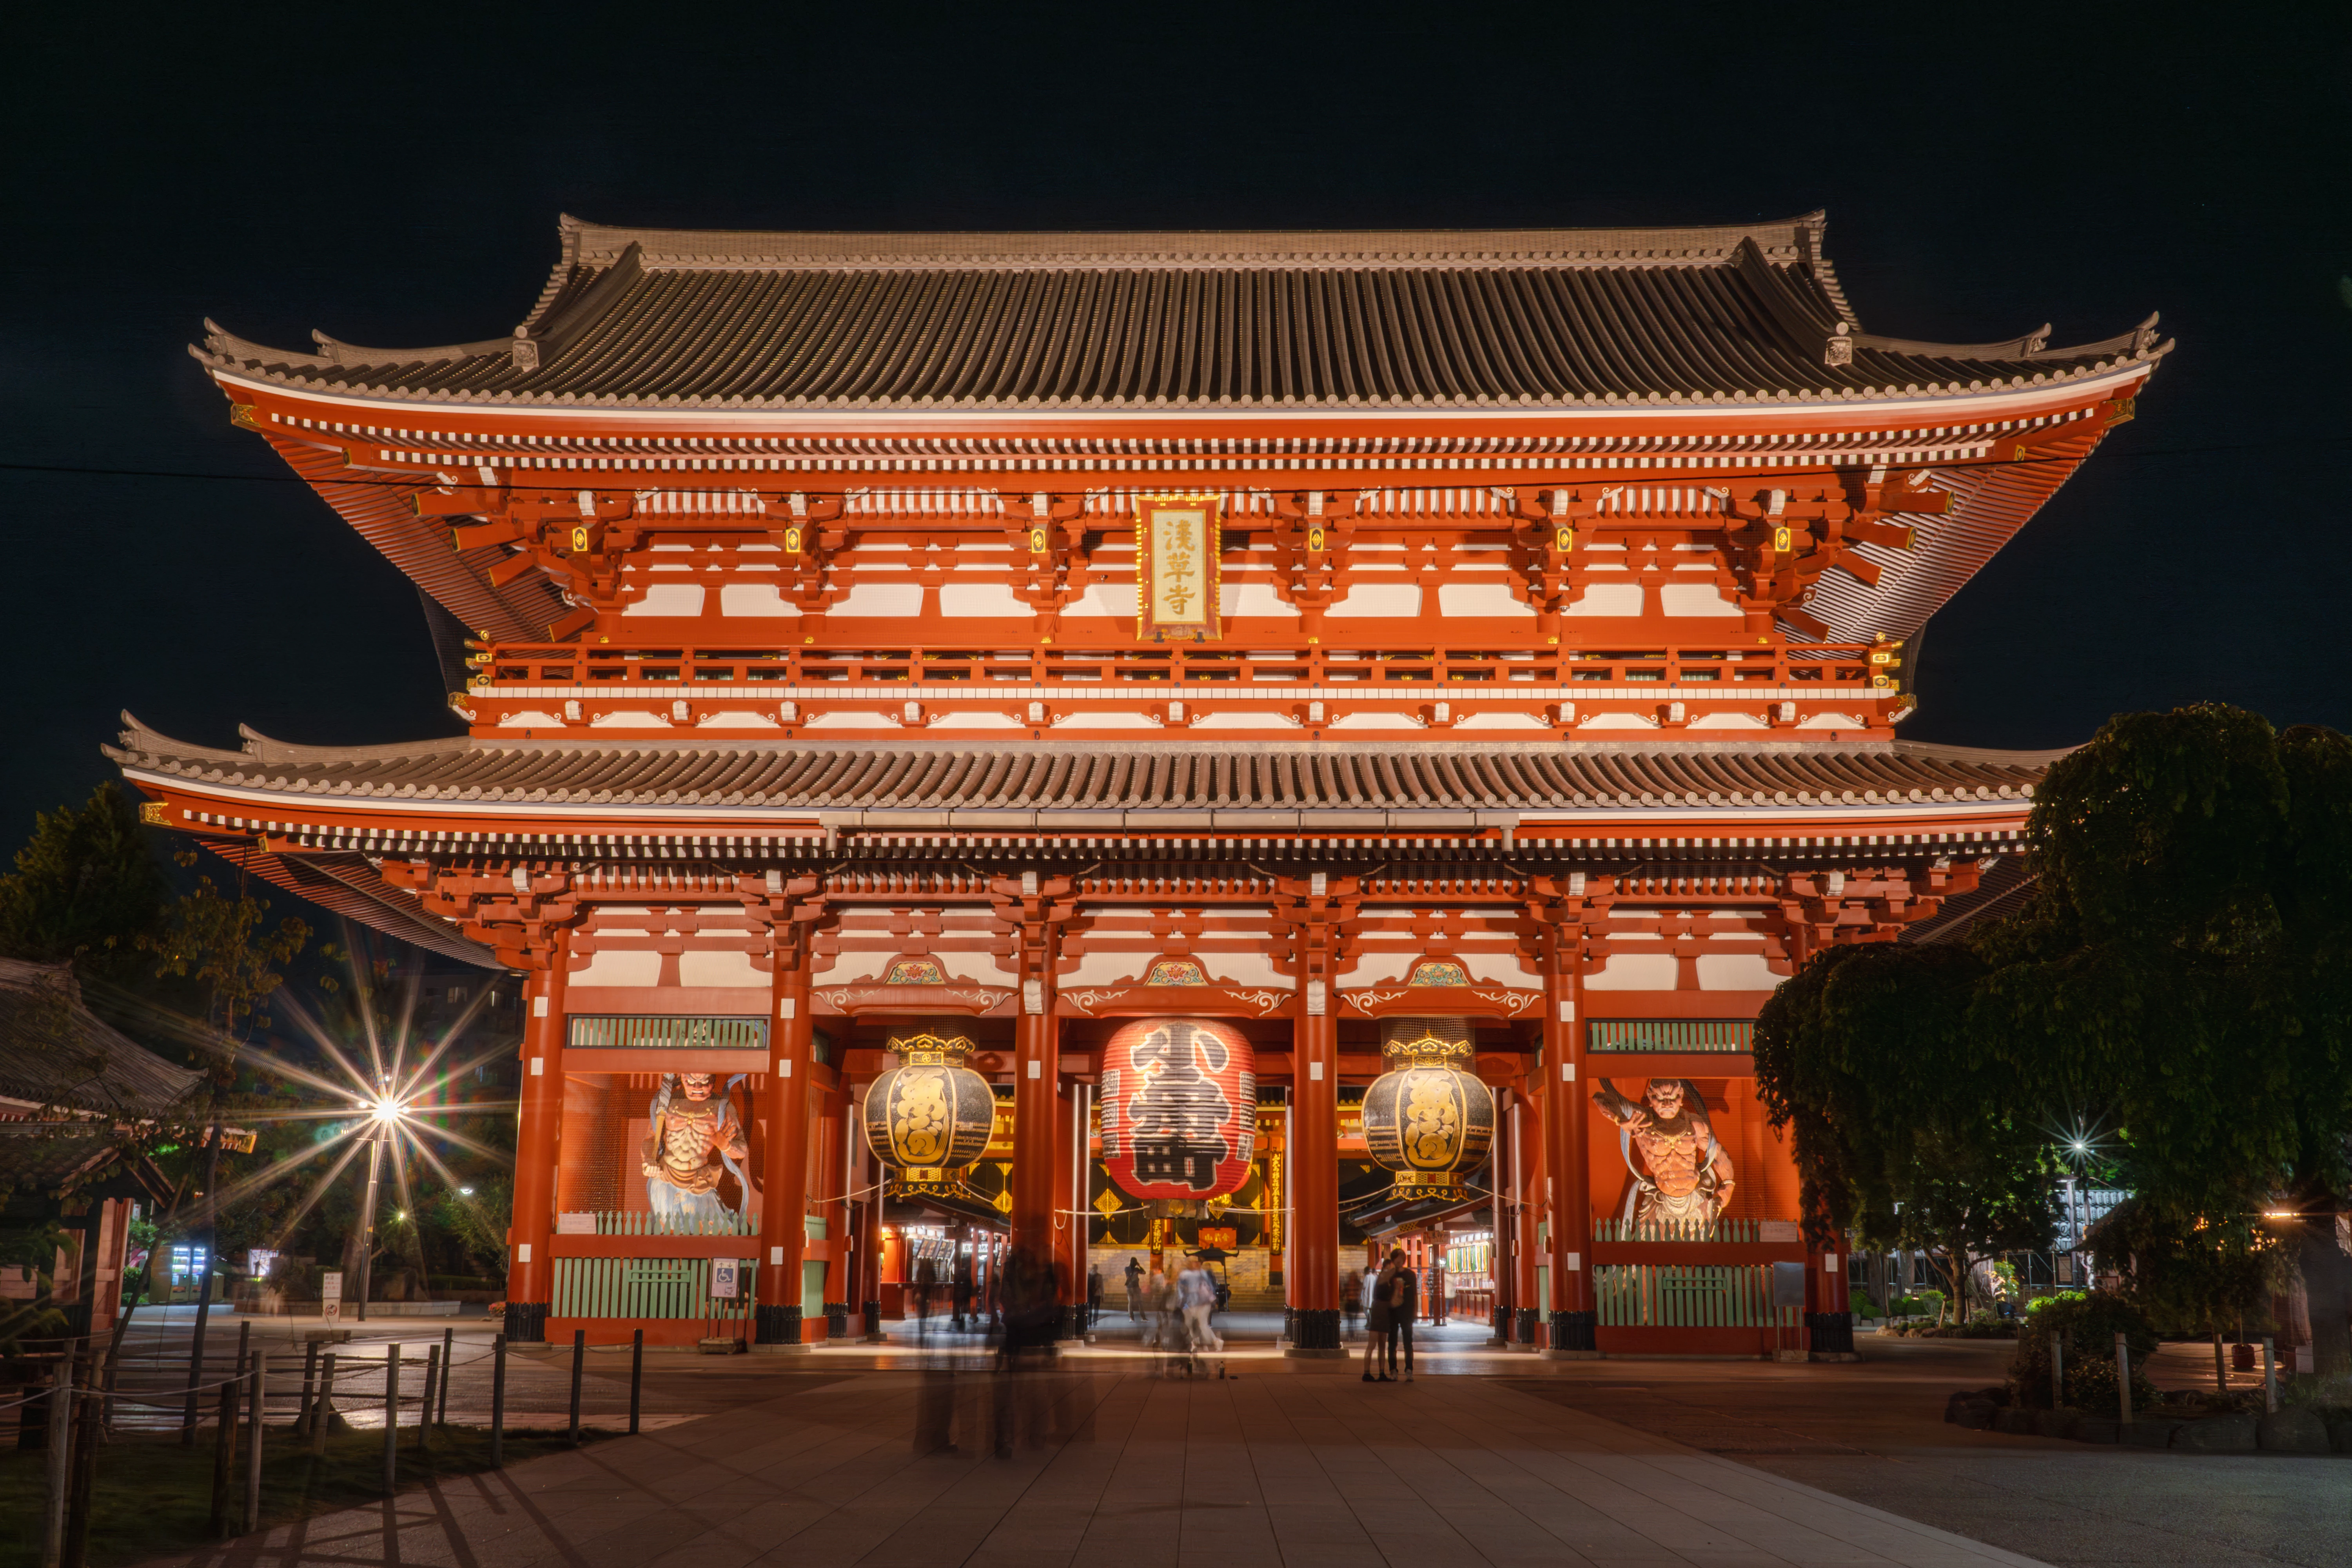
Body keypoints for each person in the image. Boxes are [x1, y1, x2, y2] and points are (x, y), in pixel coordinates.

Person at [1361, 1256, 1397, 1382]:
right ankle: (1377, 1373)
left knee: (1376, 1345)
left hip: (1378, 1310)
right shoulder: (1384, 1279)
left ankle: (1371, 1372)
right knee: (1378, 1345)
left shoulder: (1380, 1279)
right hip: (1383, 1310)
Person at [1177, 1256, 1223, 1353]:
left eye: (1197, 1262)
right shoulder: (1193, 1274)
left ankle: (1214, 1341)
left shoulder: (1191, 1274)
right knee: (1192, 1324)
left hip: (1200, 1303)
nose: (1196, 1264)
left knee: (1200, 1324)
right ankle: (1195, 1344)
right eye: (1194, 1262)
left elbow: (1181, 1289)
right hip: (1192, 1303)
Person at [1387, 1248, 1419, 1380]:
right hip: (1392, 1312)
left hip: (1407, 1312)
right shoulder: (1389, 1275)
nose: (1400, 1260)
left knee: (1408, 1342)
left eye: (1402, 1258)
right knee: (1392, 1342)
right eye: (1397, 1258)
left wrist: (1415, 1311)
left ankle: (1409, 1369)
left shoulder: (1411, 1275)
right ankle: (1393, 1370)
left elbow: (1415, 1294)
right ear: (1393, 1260)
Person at [1124, 1256, 1145, 1321]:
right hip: (1134, 1287)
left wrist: (1138, 1267)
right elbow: (1144, 1272)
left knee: (1133, 1302)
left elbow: (1144, 1273)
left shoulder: (1129, 1269)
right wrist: (1139, 1266)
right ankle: (1140, 1317)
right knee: (1137, 1302)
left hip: (1132, 1287)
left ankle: (1132, 1318)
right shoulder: (1134, 1269)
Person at [1086, 1263, 1105, 1332]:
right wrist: (1103, 1296)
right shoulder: (1099, 1276)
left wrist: (1103, 1295)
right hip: (1095, 1295)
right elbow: (1102, 1287)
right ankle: (1094, 1322)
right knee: (1094, 1309)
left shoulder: (1088, 1276)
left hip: (1092, 1295)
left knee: (1091, 1309)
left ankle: (1091, 1322)